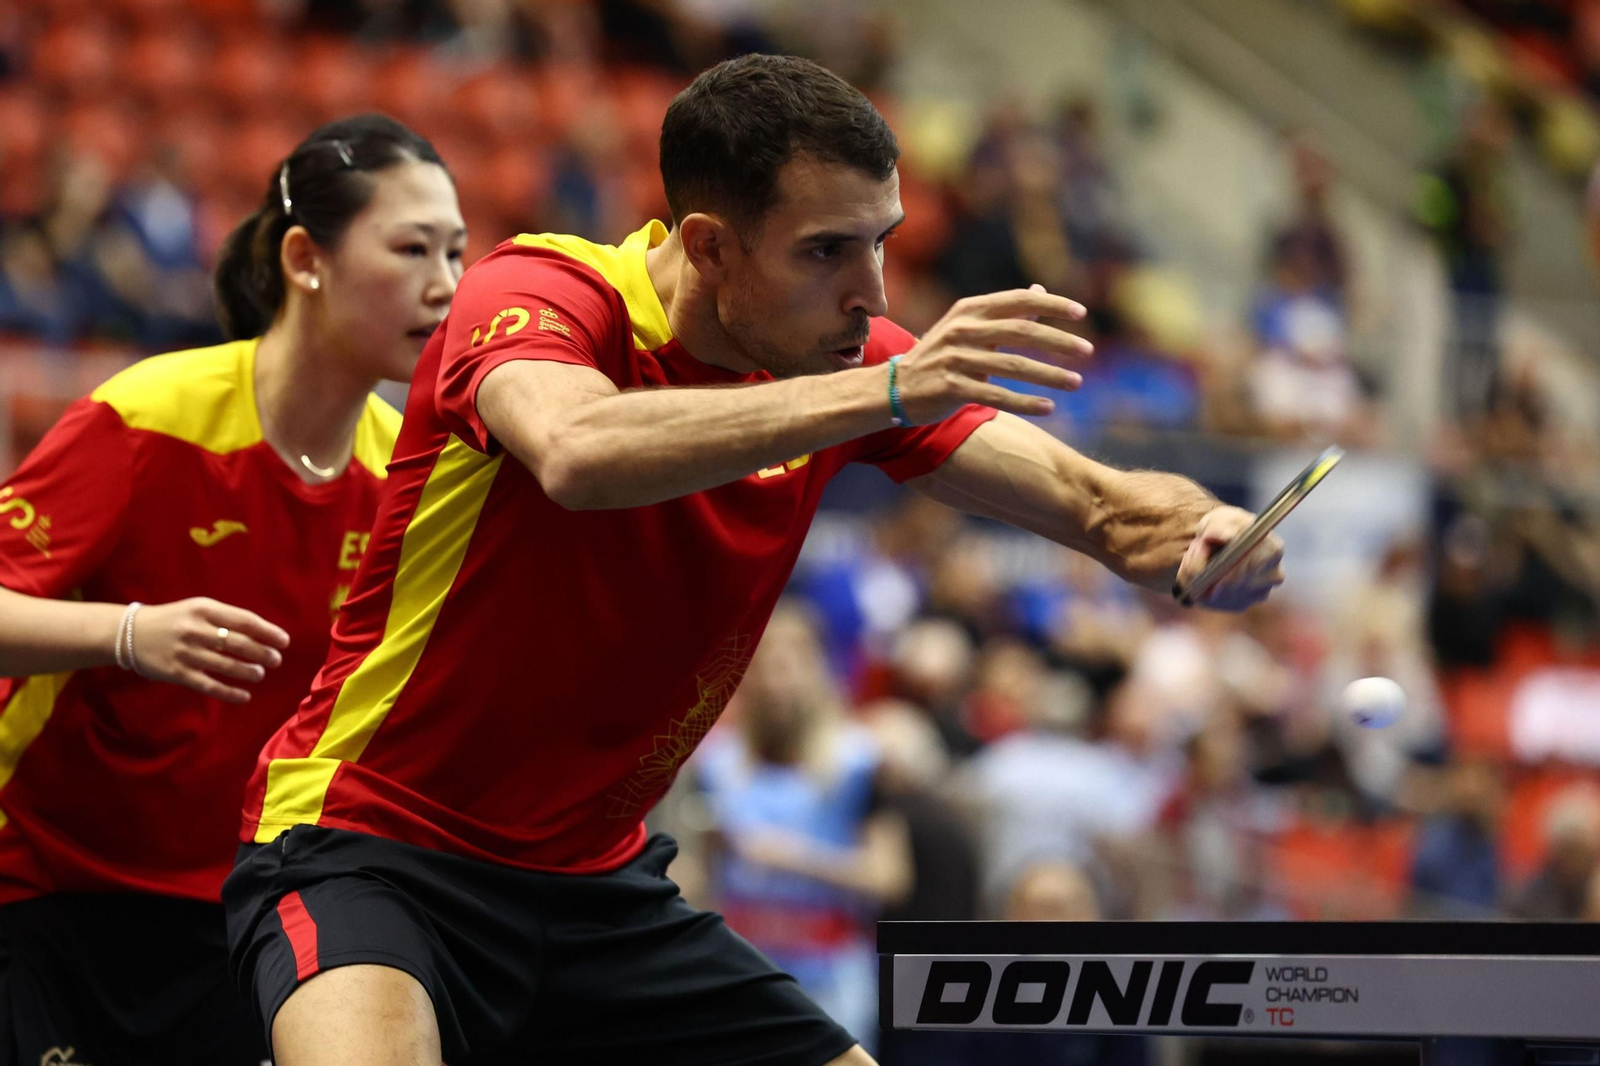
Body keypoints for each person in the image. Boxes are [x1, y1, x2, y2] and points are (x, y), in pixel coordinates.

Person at [226, 55, 1285, 1066]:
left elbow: (1103, 507)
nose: (870, 292)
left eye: (883, 241)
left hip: (595, 888)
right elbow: (576, 451)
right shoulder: (546, 296)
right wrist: (887, 393)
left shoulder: (843, 359)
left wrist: (1200, 533)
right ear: (709, 247)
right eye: (826, 251)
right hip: (372, 845)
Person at [0, 114, 465, 1065]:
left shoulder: (404, 484)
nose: (447, 286)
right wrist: (127, 635)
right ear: (307, 258)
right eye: (412, 248)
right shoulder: (148, 418)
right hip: (39, 889)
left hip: (238, 914)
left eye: (458, 252)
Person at [695, 603, 912, 1051]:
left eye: (790, 665)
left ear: (818, 669)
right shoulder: (716, 762)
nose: (777, 682)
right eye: (763, 667)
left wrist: (791, 857)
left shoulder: (860, 761)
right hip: (739, 968)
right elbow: (694, 879)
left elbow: (889, 877)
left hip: (829, 973)